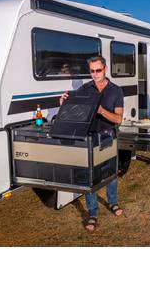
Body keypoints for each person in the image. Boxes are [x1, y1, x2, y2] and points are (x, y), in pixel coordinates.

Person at [59, 56, 124, 231]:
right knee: (88, 176)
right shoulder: (85, 88)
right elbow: (76, 112)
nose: (95, 74)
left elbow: (118, 119)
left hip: (108, 136)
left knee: (110, 173)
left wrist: (101, 111)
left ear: (105, 69)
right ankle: (92, 212)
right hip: (89, 137)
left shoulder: (116, 91)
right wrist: (64, 103)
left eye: (98, 70)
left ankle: (113, 202)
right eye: (92, 71)